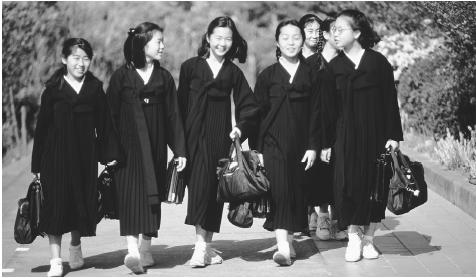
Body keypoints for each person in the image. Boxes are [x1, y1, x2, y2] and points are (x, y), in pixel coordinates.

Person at [31, 38, 120, 277]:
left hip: (85, 156)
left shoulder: (94, 89)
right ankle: (56, 260)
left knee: (81, 201)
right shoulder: (53, 90)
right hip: (55, 156)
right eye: (76, 58)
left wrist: (108, 155)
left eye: (85, 58)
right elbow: (42, 128)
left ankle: (76, 246)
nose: (81, 63)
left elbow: (105, 125)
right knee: (57, 205)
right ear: (64, 59)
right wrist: (37, 164)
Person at [177, 16, 259, 268]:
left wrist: (239, 128)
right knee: (200, 190)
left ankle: (203, 247)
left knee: (213, 193)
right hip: (193, 138)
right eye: (218, 37)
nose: (222, 43)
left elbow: (249, 106)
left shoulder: (233, 72)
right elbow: (178, 107)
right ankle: (203, 247)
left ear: (232, 42)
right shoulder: (190, 67)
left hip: (219, 137)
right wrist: (178, 144)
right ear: (208, 38)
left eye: (228, 38)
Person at [106, 22, 187, 273]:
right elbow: (110, 116)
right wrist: (109, 152)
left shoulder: (163, 77)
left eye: (162, 42)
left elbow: (174, 116)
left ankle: (146, 248)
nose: (163, 46)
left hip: (155, 143)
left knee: (152, 194)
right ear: (143, 44)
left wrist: (180, 150)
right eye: (158, 42)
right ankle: (132, 251)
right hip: (127, 147)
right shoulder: (121, 76)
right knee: (130, 196)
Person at [328, 9, 403, 262]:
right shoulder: (334, 67)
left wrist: (393, 135)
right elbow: (326, 109)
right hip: (344, 136)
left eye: (341, 29)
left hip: (375, 134)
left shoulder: (377, 62)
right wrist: (324, 142)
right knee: (345, 185)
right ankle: (352, 237)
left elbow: (389, 101)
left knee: (375, 185)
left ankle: (369, 239)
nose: (335, 34)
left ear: (357, 32)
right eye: (334, 30)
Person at [251, 19, 320, 266]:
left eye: (296, 37)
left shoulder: (312, 74)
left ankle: (289, 242)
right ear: (278, 42)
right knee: (279, 193)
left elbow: (317, 113)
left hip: (302, 147)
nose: (291, 42)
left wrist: (314, 146)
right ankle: (282, 246)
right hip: (273, 145)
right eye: (286, 37)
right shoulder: (268, 76)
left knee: (297, 194)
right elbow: (256, 114)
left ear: (303, 41)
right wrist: (257, 149)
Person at [301, 16, 348, 241]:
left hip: (344, 127)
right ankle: (322, 216)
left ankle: (341, 219)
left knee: (341, 173)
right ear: (326, 35)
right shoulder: (312, 64)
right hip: (319, 126)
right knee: (321, 172)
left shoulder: (348, 62)